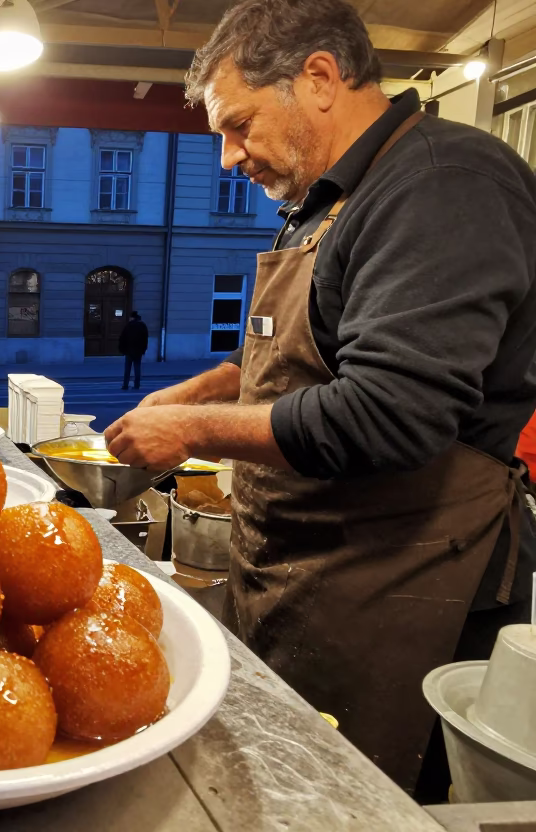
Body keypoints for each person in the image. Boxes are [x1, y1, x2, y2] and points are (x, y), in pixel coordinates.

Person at [99, 0, 536, 795]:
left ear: (322, 78)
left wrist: (193, 431)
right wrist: (199, 389)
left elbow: (391, 412)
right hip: (311, 567)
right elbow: (299, 356)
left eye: (239, 126)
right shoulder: (327, 202)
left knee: (352, 797)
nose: (230, 159)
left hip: (401, 586)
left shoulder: (442, 185)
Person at [118, 311, 148, 391]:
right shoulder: (142, 326)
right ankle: (137, 385)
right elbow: (145, 339)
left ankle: (125, 385)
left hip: (129, 350)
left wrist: (122, 350)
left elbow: (122, 338)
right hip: (138, 351)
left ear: (132, 318)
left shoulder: (128, 326)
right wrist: (143, 350)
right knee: (137, 368)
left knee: (127, 369)